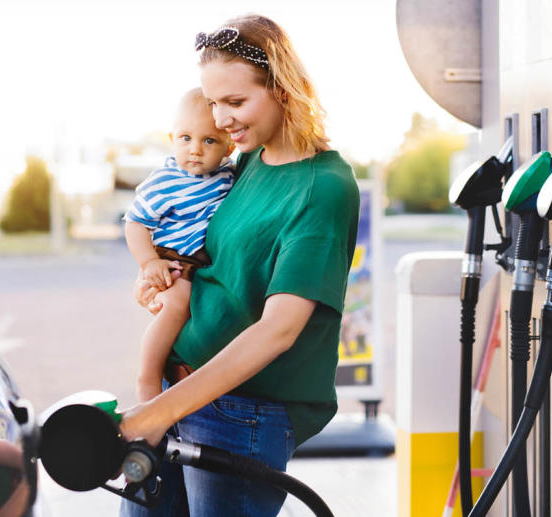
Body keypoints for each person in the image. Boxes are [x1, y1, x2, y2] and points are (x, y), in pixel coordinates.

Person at [119, 14, 360, 517]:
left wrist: (157, 413)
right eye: (212, 102)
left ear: (284, 89)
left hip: (242, 414)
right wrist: (160, 272)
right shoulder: (247, 162)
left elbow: (278, 330)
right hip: (178, 392)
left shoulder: (322, 188)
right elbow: (214, 257)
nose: (220, 120)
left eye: (235, 102)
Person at [123, 88, 235, 403]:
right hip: (173, 260)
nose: (195, 150)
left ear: (229, 147)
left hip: (200, 263)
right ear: (172, 138)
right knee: (177, 304)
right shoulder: (165, 181)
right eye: (185, 138)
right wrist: (149, 263)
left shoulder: (227, 174)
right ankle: (147, 378)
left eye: (209, 140)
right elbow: (135, 222)